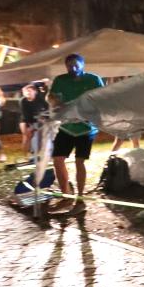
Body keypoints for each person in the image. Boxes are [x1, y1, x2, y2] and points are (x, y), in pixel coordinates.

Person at [47, 53, 105, 211]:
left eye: (75, 64)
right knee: (57, 160)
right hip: (67, 127)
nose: (72, 68)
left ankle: (80, 199)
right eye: (69, 65)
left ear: (82, 65)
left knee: (80, 161)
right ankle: (66, 196)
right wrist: (55, 102)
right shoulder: (60, 80)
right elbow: (52, 97)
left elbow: (103, 99)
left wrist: (90, 115)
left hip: (86, 129)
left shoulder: (93, 79)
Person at [18, 83, 48, 160]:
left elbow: (47, 108)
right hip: (25, 120)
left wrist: (44, 117)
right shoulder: (23, 101)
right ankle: (25, 156)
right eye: (25, 91)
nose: (27, 92)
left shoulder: (40, 99)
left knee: (40, 137)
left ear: (35, 91)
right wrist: (29, 126)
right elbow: (25, 115)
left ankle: (35, 154)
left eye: (29, 91)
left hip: (38, 120)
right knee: (27, 136)